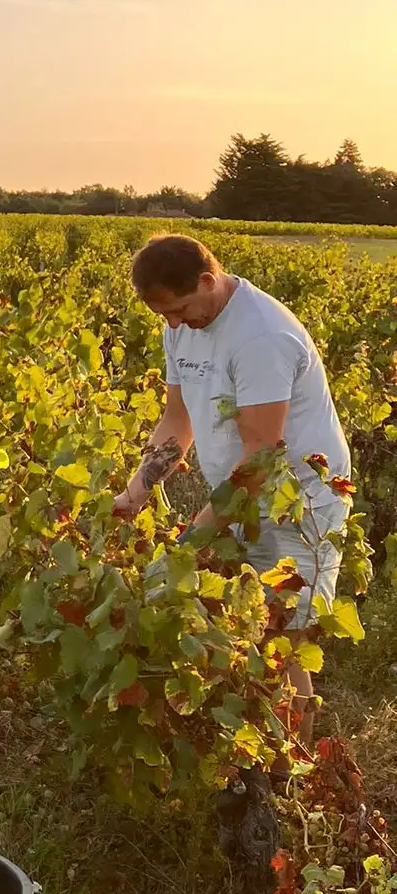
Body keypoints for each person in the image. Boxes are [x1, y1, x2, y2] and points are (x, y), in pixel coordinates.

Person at [113, 235, 351, 632]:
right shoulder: (182, 324)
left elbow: (262, 456)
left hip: (299, 503)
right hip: (236, 493)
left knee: (283, 636)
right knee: (241, 633)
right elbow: (177, 418)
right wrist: (133, 494)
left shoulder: (261, 337)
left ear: (208, 280)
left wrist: (194, 535)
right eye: (163, 315)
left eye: (179, 310)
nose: (173, 324)